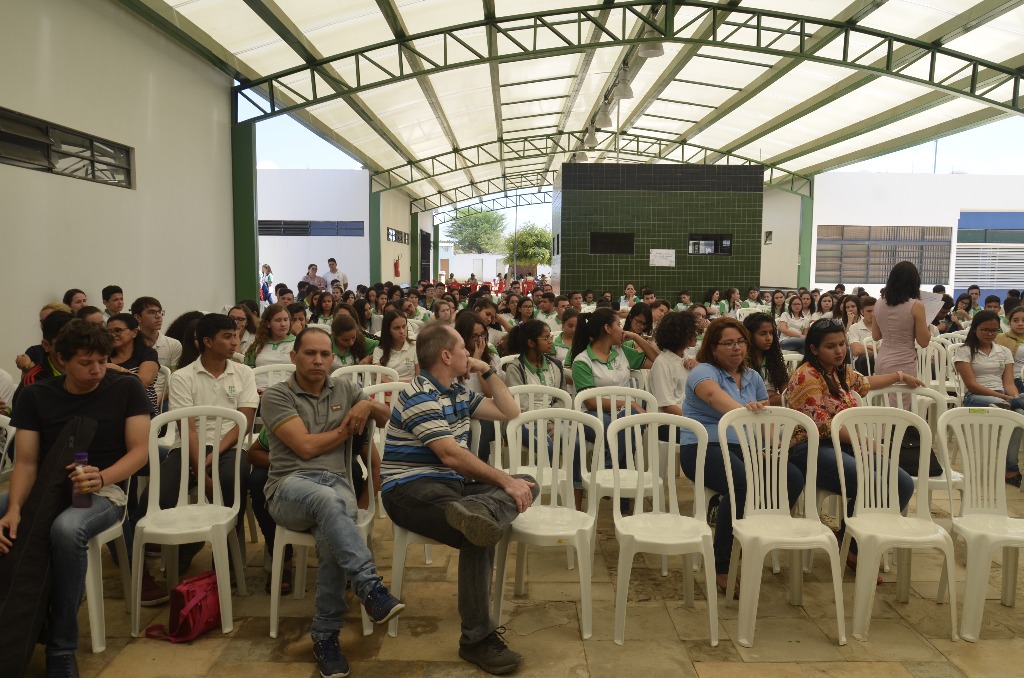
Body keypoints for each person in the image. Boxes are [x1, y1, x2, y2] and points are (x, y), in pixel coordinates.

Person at [381, 322, 534, 674]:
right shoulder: (418, 394)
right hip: (410, 489)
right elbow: (450, 455)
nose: (470, 352)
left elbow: (510, 411)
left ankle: (478, 512)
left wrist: (486, 370)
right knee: (479, 528)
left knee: (526, 483)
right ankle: (477, 640)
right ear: (446, 356)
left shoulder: (457, 392)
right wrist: (504, 481)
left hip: (454, 489)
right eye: (464, 348)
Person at [1, 320, 150, 677]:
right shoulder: (37, 395)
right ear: (61, 360)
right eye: (86, 363)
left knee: (67, 530)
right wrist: (15, 508)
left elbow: (139, 452)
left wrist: (103, 476)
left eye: (102, 360)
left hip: (103, 490)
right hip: (47, 488)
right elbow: (26, 463)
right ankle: (18, 619)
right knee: (4, 511)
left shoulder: (125, 387)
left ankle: (62, 645)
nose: (97, 370)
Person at [261, 327, 403, 677]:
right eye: (310, 353)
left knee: (331, 530)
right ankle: (369, 586)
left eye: (325, 354)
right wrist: (345, 428)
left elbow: (389, 419)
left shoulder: (345, 389)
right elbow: (306, 447)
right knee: (329, 502)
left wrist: (367, 403)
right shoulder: (277, 396)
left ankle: (325, 636)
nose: (319, 360)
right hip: (288, 489)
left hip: (337, 487)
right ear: (294, 356)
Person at [787, 318, 922, 576]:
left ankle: (847, 536)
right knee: (874, 484)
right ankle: (855, 548)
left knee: (903, 484)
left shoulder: (839, 372)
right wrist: (866, 443)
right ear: (814, 348)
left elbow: (866, 382)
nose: (839, 351)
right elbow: (823, 426)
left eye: (842, 344)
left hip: (844, 445)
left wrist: (900, 376)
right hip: (812, 448)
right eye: (831, 346)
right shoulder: (807, 375)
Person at [678, 318, 803, 595]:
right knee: (742, 482)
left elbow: (764, 421)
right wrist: (747, 412)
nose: (737, 348)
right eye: (728, 343)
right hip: (704, 447)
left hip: (744, 448)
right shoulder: (703, 372)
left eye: (740, 342)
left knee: (792, 476)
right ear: (713, 347)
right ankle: (721, 564)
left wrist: (774, 447)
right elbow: (716, 399)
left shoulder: (752, 377)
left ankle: (755, 534)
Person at [161, 314, 257, 571]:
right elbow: (188, 429)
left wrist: (214, 456)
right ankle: (188, 543)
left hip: (230, 445)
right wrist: (202, 475)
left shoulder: (243, 373)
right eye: (227, 337)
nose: (234, 342)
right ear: (207, 341)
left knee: (231, 479)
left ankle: (224, 564)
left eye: (235, 336)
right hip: (188, 446)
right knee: (161, 493)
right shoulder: (182, 377)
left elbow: (244, 422)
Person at [952, 310, 1024, 487]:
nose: (990, 334)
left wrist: (1013, 397)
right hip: (976, 397)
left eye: (994, 330)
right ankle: (1009, 403)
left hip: (1002, 396)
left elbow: (1009, 382)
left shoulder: (1003, 351)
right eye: (985, 330)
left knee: (1019, 413)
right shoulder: (964, 351)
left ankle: (1010, 469)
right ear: (975, 329)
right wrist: (1004, 397)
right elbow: (971, 385)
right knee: (1007, 405)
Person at [874, 261, 930, 380]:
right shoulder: (916, 305)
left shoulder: (878, 303)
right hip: (903, 362)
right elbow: (924, 342)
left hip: (881, 360)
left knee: (883, 392)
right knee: (904, 393)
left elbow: (876, 335)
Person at [11, 311, 74, 410]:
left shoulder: (85, 370)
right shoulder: (33, 381)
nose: (72, 347)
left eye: (75, 341)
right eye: (63, 342)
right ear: (46, 345)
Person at [106, 313, 160, 414]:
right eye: (108, 332)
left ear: (134, 332)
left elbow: (143, 383)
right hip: (112, 409)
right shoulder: (104, 356)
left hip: (143, 410)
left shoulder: (148, 353)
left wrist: (117, 369)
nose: (112, 335)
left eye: (118, 330)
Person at [131, 297, 182, 398]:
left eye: (160, 312)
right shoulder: (130, 343)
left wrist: (161, 397)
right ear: (138, 317)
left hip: (163, 397)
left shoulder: (173, 344)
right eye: (152, 312)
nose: (158, 316)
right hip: (135, 393)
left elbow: (175, 380)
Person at [650, 311, 698, 417]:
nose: (696, 335)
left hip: (688, 415)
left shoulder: (686, 358)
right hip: (669, 420)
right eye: (692, 332)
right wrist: (694, 421)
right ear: (680, 335)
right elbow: (667, 406)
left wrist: (699, 366)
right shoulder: (662, 363)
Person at [244, 303, 296, 390]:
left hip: (287, 392)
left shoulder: (297, 343)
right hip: (258, 391)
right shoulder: (257, 345)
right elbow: (247, 371)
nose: (283, 324)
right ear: (268, 324)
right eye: (278, 320)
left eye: (286, 319)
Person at [743, 313, 789, 406]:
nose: (769, 338)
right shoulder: (742, 360)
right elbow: (746, 396)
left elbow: (786, 394)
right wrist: (770, 394)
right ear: (750, 335)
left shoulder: (774, 358)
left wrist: (772, 397)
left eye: (771, 333)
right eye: (763, 333)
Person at [373, 311, 418, 381]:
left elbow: (419, 377)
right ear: (388, 330)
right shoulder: (379, 350)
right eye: (397, 328)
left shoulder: (415, 346)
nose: (402, 331)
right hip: (386, 387)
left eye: (404, 326)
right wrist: (396, 385)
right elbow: (379, 376)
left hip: (411, 386)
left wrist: (399, 384)